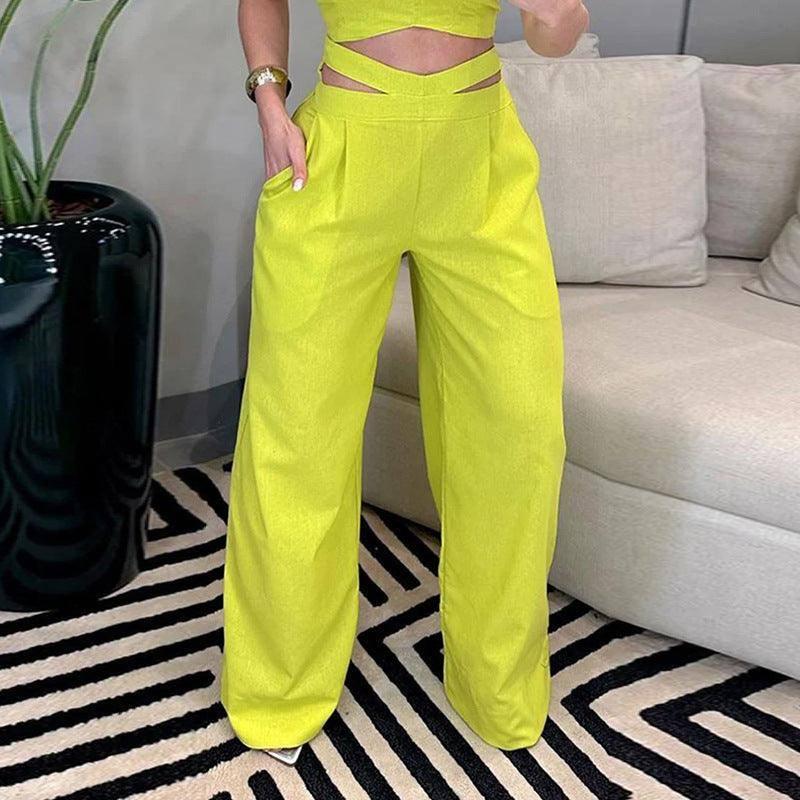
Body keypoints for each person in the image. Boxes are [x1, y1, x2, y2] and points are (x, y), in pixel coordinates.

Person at [221, 0, 589, 766]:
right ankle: (278, 689)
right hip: (340, 148)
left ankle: (496, 685)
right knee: (297, 434)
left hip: (477, 153)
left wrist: (553, 11)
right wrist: (269, 101)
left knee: (518, 432)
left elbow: (556, 38)